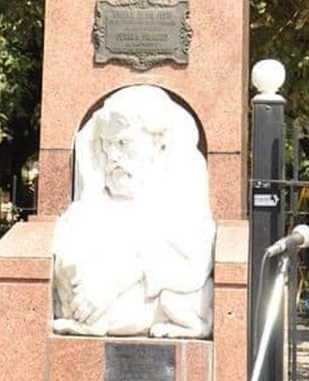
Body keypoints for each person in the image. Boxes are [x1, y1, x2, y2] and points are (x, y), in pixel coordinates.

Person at [52, 85, 215, 337]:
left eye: (123, 143)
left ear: (157, 142)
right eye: (107, 145)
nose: (113, 156)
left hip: (155, 300)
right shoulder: (97, 196)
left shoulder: (181, 188)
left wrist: (112, 284)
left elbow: (191, 259)